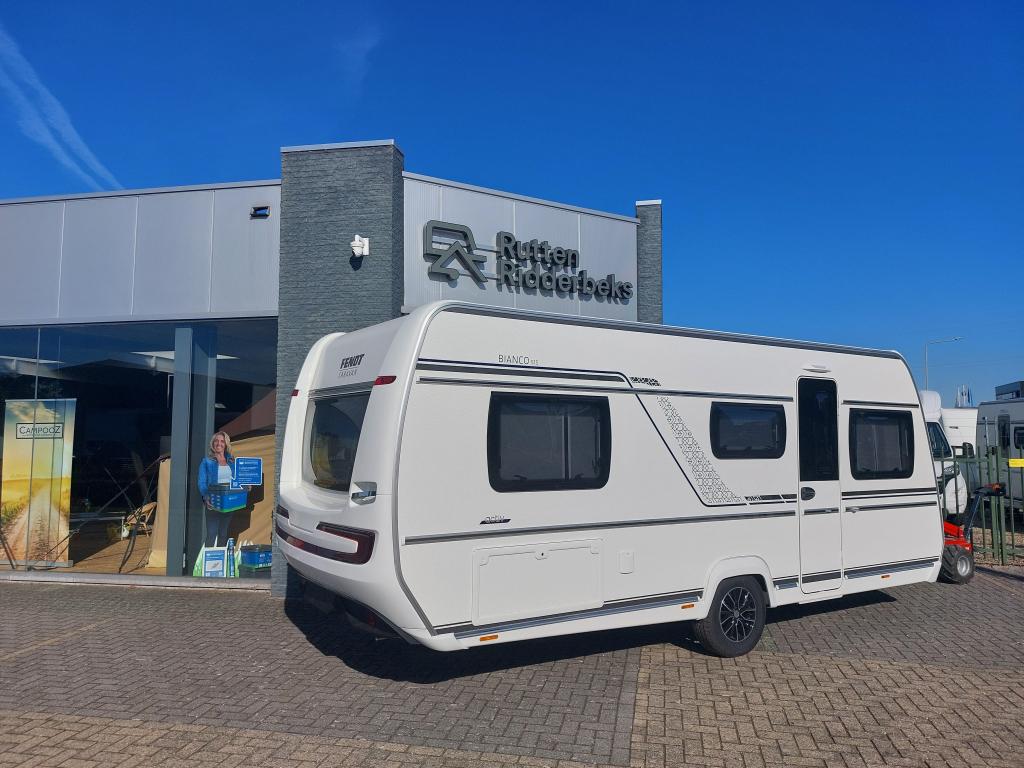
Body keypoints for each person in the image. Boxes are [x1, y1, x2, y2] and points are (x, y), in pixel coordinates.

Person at [198, 431, 236, 548]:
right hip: (213, 502)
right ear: (212, 444)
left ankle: (220, 563)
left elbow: (237, 480)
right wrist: (206, 497)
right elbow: (201, 482)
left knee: (223, 534)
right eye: (216, 441)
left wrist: (246, 486)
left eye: (222, 441)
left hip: (229, 502)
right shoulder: (207, 462)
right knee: (211, 534)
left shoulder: (232, 461)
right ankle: (208, 564)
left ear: (226, 444)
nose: (219, 443)